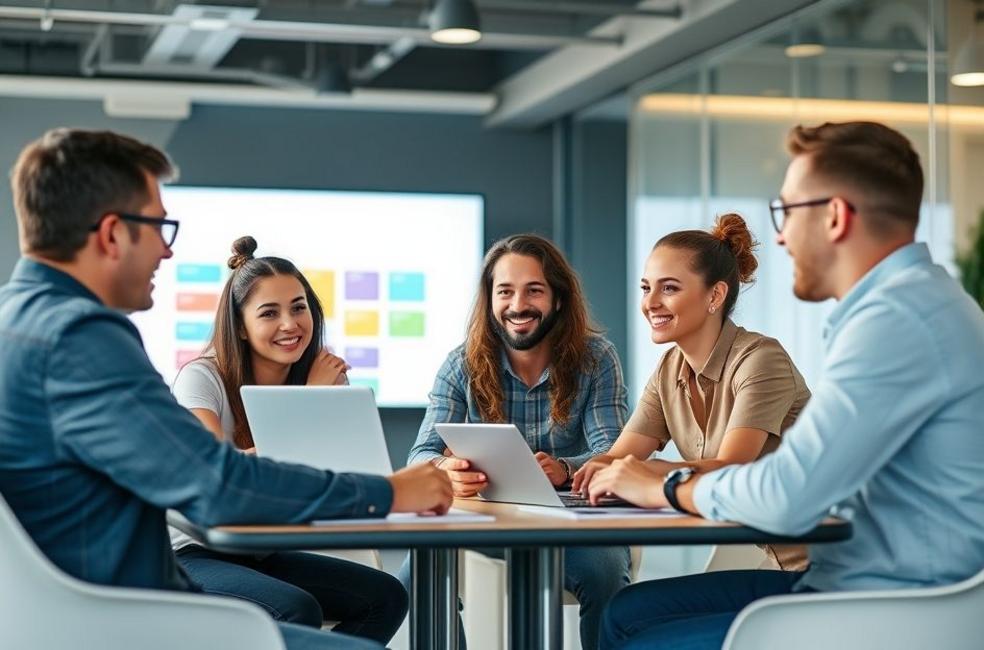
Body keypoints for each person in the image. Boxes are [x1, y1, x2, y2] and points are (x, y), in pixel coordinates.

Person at [0, 128, 453, 650]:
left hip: (76, 613)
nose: (166, 253)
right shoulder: (80, 338)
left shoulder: (22, 320)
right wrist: (392, 492)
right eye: (158, 227)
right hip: (130, 623)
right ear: (111, 234)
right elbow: (219, 486)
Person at [594, 121, 984, 650]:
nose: (778, 236)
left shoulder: (898, 321)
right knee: (626, 614)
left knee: (642, 638)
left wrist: (664, 486)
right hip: (847, 580)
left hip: (895, 607)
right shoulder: (909, 307)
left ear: (834, 216)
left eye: (785, 212)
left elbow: (786, 495)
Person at [168, 235, 405, 644]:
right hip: (190, 551)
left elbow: (346, 466)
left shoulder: (320, 374)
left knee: (385, 597)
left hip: (258, 551)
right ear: (240, 328)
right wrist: (312, 398)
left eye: (299, 308)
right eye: (269, 313)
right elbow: (220, 474)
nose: (290, 324)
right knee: (296, 607)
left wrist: (326, 398)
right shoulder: (200, 378)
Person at [403, 233, 631, 650]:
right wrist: (447, 471)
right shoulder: (461, 364)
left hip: (572, 528)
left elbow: (614, 451)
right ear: (490, 301)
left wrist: (564, 469)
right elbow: (422, 455)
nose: (518, 305)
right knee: (414, 572)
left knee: (604, 573)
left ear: (558, 299)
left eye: (534, 291)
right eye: (504, 291)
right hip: (485, 524)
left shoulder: (596, 358)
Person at [572, 213, 811, 571]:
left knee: (633, 612)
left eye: (668, 288)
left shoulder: (762, 360)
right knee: (627, 609)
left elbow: (732, 468)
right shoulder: (670, 368)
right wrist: (587, 471)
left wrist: (644, 474)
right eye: (645, 287)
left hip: (817, 570)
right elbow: (620, 457)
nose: (650, 302)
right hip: (775, 562)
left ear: (715, 294)